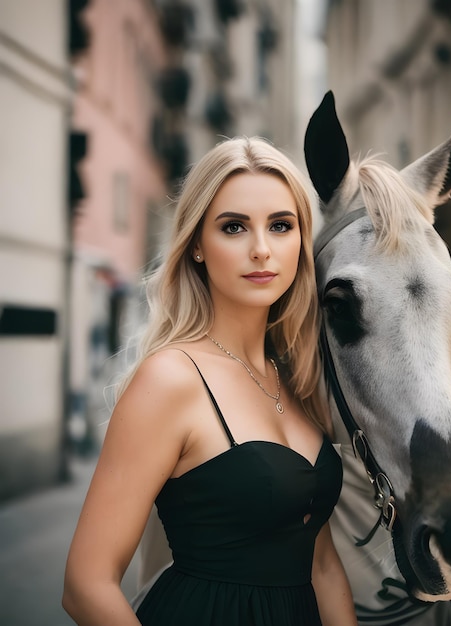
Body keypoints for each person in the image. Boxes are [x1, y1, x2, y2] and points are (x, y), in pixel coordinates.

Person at [62, 137, 358, 626]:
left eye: (280, 226)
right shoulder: (171, 378)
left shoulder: (297, 379)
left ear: (301, 242)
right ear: (198, 244)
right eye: (234, 227)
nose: (261, 249)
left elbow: (321, 563)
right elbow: (85, 584)